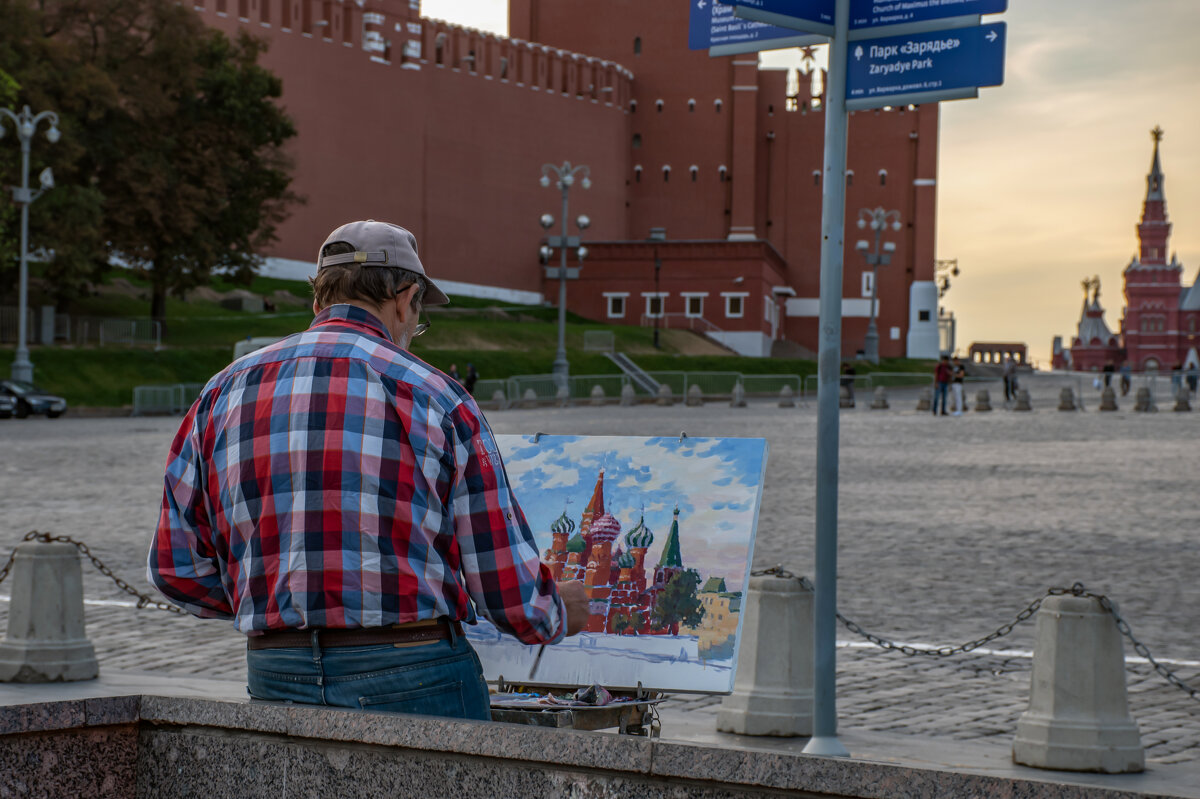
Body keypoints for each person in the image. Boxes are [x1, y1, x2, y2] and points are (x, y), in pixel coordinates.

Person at [148, 220, 588, 721]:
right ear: (405, 298)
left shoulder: (221, 394)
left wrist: (279, 604)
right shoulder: (438, 397)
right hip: (413, 672)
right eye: (417, 318)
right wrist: (558, 611)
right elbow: (502, 583)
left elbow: (175, 569)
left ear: (319, 302)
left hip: (275, 671)